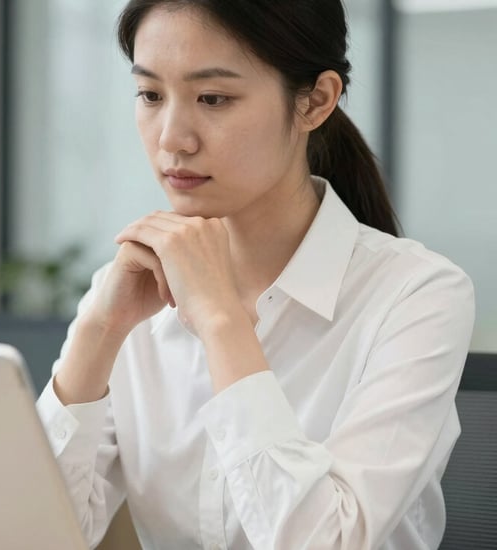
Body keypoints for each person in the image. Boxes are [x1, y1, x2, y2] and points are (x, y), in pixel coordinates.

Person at [36, 1, 475, 548]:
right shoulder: (130, 291)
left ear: (316, 101)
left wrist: (222, 322)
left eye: (213, 98)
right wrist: (99, 333)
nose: (172, 138)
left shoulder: (416, 294)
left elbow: (327, 541)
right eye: (150, 95)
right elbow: (25, 533)